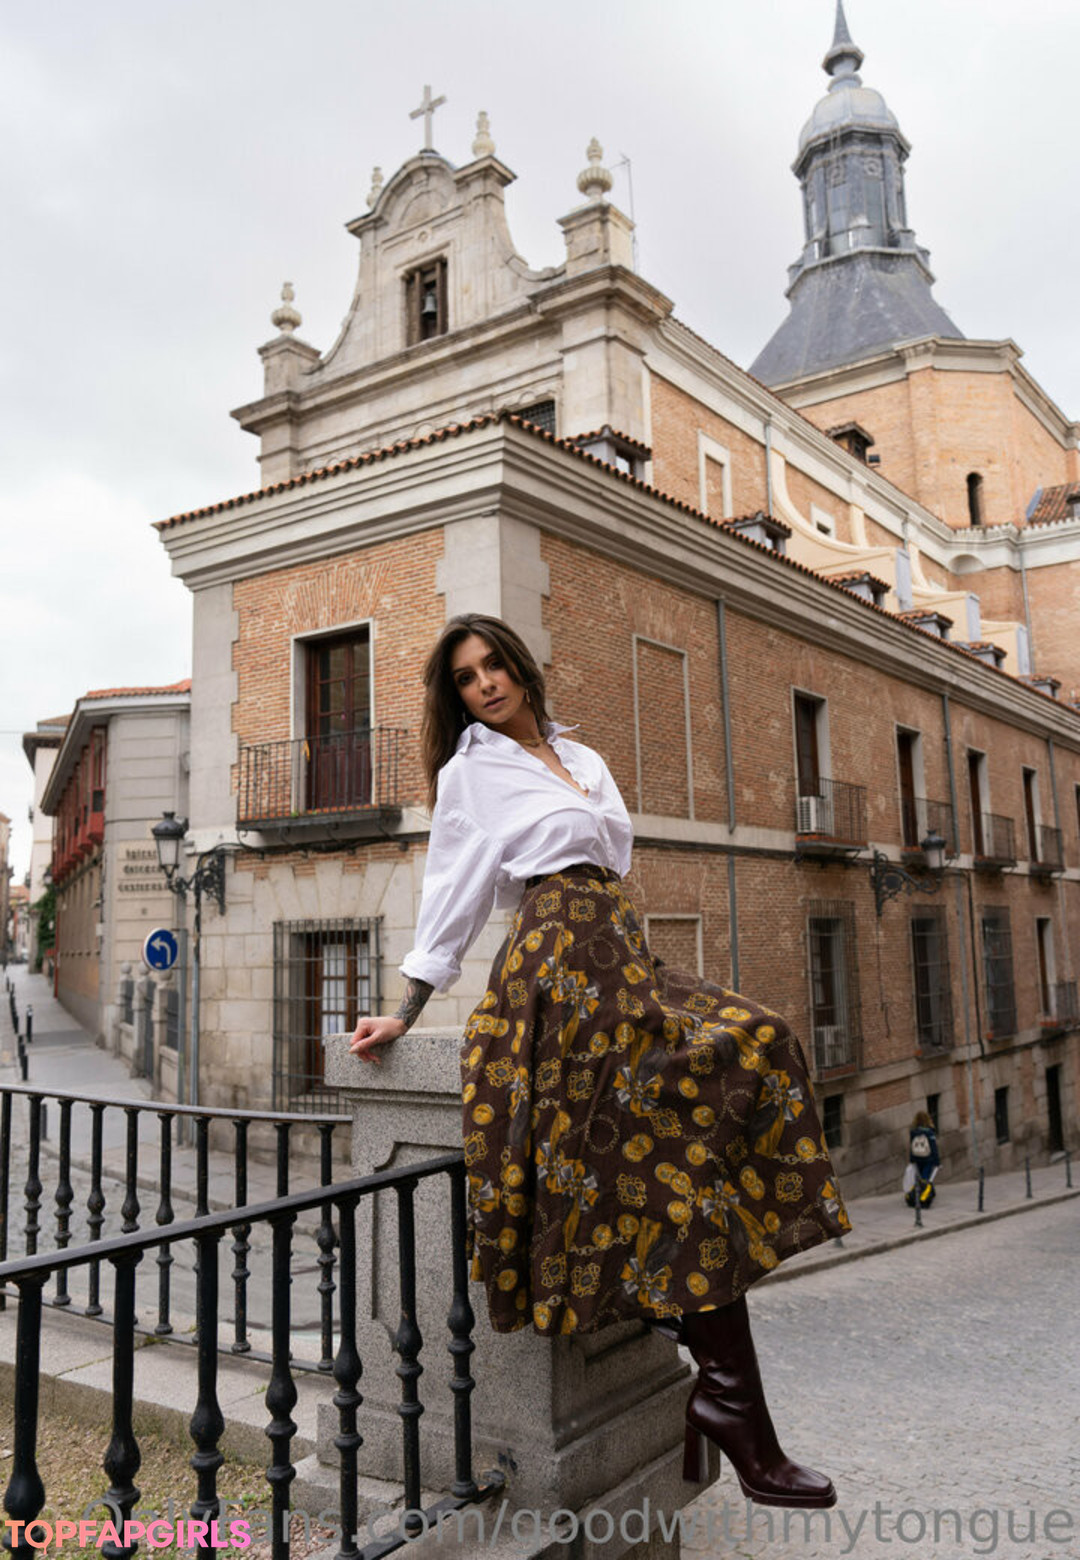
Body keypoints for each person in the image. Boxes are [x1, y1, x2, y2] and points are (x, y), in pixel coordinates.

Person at [350, 613, 851, 1510]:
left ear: (520, 668)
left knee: (764, 1038)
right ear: (456, 695)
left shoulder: (582, 758)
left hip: (618, 949)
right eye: (465, 677)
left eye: (494, 665)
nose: (485, 684)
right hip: (556, 959)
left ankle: (706, 1367)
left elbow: (610, 856)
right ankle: (733, 1405)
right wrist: (407, 1009)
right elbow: (453, 890)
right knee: (663, 1156)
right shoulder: (470, 772)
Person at [904, 1109, 940, 1207]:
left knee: (922, 1178)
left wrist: (912, 1160)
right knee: (925, 1179)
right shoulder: (929, 1132)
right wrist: (937, 1161)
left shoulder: (913, 1132)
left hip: (917, 1158)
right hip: (928, 1158)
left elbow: (911, 1146)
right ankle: (922, 1199)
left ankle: (928, 1193)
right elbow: (933, 1147)